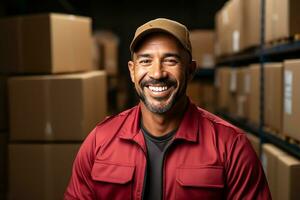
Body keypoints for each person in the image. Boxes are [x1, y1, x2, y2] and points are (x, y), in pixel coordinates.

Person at [64, 18, 271, 200]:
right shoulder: (99, 141)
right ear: (132, 71)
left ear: (190, 70)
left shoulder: (231, 147)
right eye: (145, 61)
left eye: (170, 60)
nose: (157, 73)